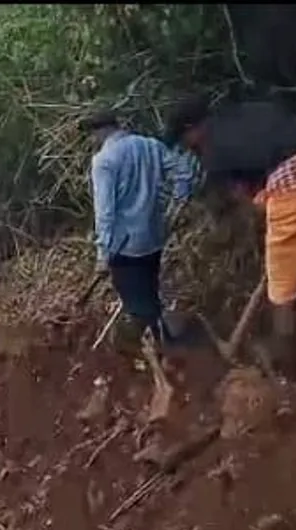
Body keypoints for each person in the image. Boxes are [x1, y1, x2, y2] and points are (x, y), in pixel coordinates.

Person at [164, 94, 296, 379]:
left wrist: (272, 237)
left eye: (185, 141)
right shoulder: (255, 108)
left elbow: (249, 203)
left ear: (193, 129)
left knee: (282, 296)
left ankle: (291, 375)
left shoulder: (212, 153)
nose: (188, 147)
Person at [83, 111, 196, 420]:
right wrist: (179, 203)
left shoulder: (104, 161)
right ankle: (167, 347)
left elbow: (105, 213)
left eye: (92, 135)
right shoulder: (150, 146)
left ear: (99, 132)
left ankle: (162, 366)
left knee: (139, 307)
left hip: (124, 247)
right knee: (149, 294)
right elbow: (185, 172)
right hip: (153, 238)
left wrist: (103, 254)